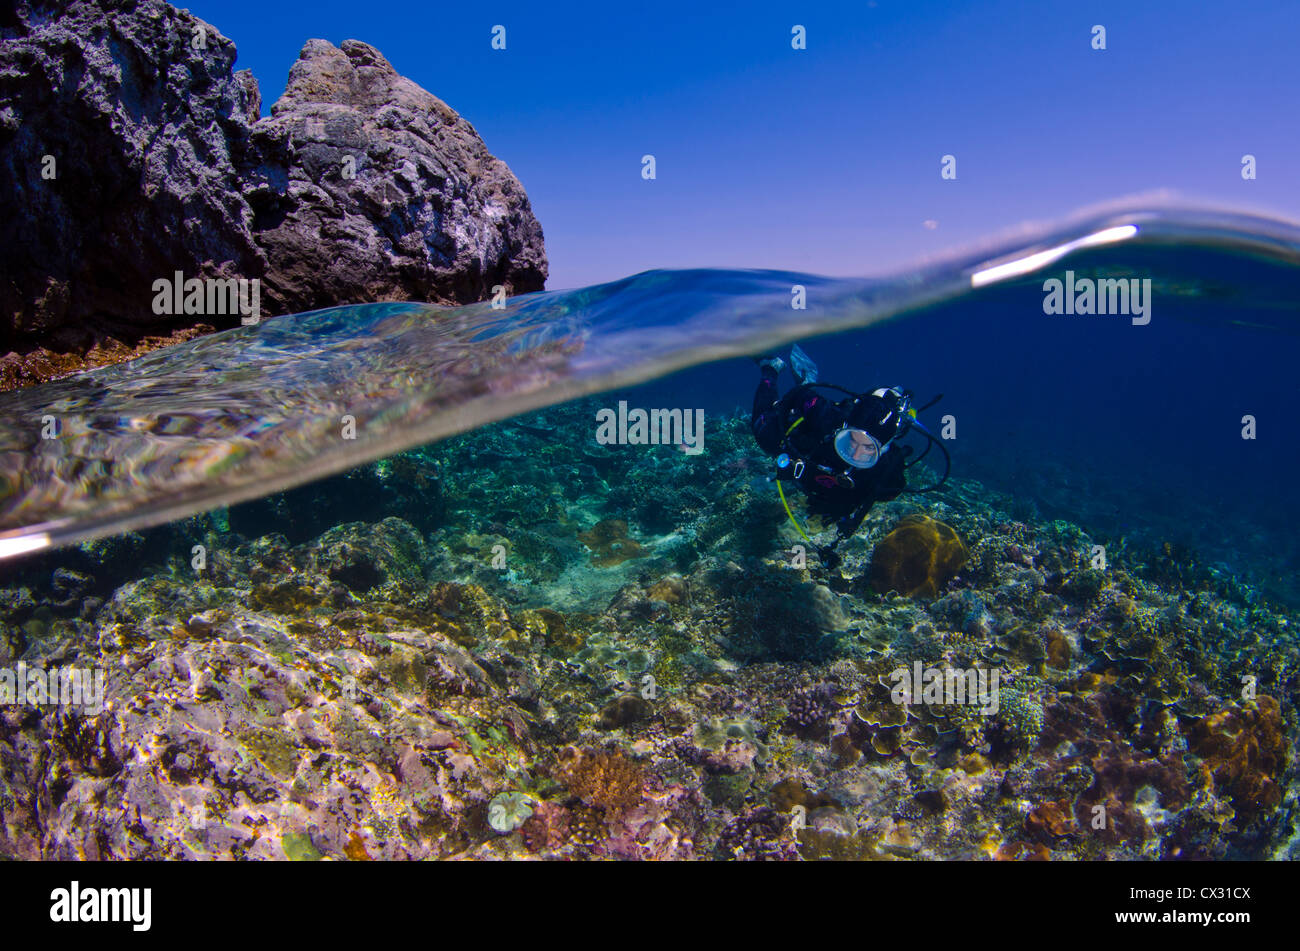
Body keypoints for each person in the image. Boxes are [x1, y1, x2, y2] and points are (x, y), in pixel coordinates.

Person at [750, 345, 948, 569]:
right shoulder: (828, 417)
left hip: (827, 491)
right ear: (843, 429)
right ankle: (772, 368)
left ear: (883, 450)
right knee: (763, 431)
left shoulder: (888, 476)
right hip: (810, 440)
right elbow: (801, 397)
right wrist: (782, 423)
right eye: (851, 441)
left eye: (868, 449)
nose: (855, 453)